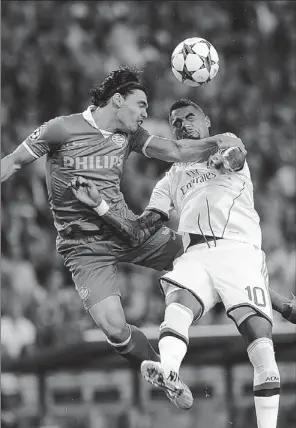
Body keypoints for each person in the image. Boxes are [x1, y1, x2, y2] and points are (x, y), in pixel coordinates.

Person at [69, 99, 295, 428]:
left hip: (239, 253)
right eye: (175, 123)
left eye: (189, 118)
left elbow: (237, 155)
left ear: (205, 121)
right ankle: (169, 370)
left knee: (262, 353)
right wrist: (100, 208)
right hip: (194, 254)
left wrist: (225, 160)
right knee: (178, 299)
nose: (182, 126)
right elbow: (140, 230)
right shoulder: (171, 178)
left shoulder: (224, 144)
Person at [1, 67, 244, 375]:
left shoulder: (129, 135)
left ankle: (279, 303)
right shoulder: (60, 129)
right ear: (118, 100)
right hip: (84, 248)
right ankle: (162, 371)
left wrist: (219, 141)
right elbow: (12, 163)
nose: (145, 113)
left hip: (127, 231)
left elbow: (175, 150)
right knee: (115, 329)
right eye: (141, 105)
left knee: (206, 253)